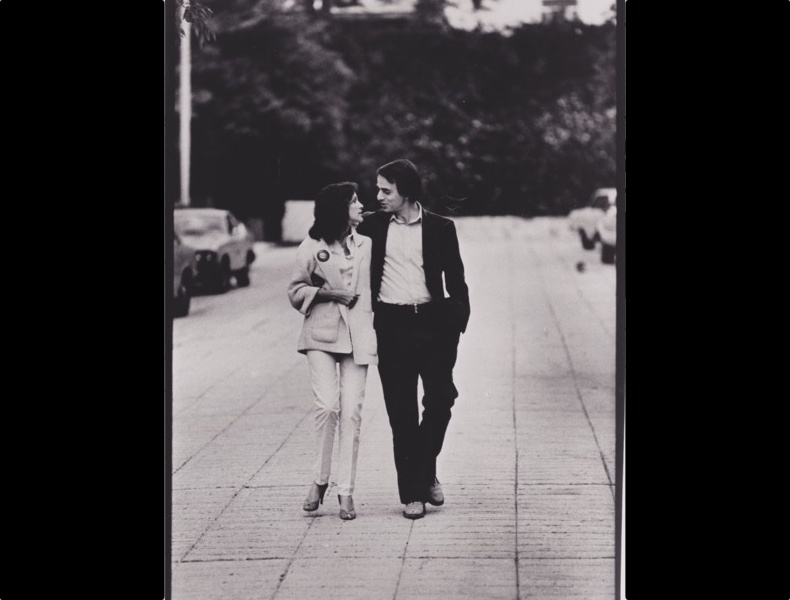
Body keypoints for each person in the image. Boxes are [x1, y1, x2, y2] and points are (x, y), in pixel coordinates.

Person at [356, 159, 470, 520]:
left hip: (434, 325)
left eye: (386, 190)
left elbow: (457, 279)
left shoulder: (440, 227)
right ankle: (414, 493)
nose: (379, 196)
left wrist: (456, 322)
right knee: (401, 413)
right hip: (391, 325)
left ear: (406, 190)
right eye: (378, 189)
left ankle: (424, 468)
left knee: (441, 400)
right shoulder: (372, 226)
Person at [288, 182, 378, 521]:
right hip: (322, 334)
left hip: (358, 336)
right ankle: (319, 480)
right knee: (327, 406)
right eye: (354, 201)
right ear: (339, 208)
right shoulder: (311, 247)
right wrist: (330, 294)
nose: (361, 205)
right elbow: (295, 290)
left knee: (352, 410)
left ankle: (346, 491)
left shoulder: (367, 244)